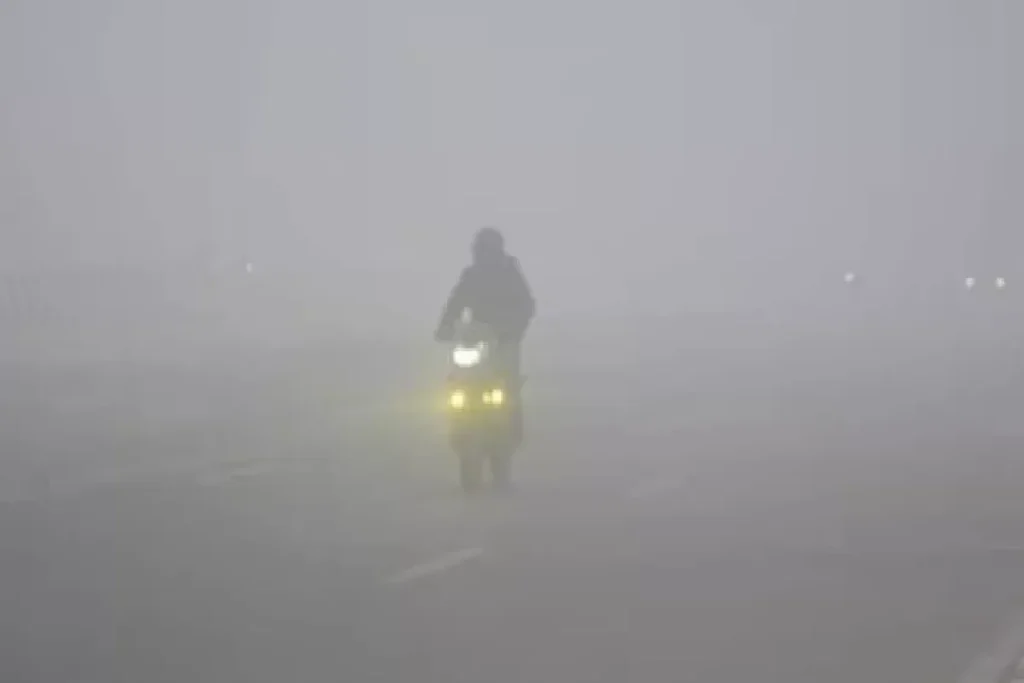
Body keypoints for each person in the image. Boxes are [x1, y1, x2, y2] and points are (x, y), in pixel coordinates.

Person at [435, 227, 535, 445]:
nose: (481, 254)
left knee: (509, 383)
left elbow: (527, 305)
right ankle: (458, 427)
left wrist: (513, 329)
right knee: (458, 377)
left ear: (496, 250)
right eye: (479, 250)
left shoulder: (510, 273)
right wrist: (445, 326)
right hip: (475, 339)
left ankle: (512, 431)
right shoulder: (471, 275)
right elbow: (455, 302)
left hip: (504, 341)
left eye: (485, 250)